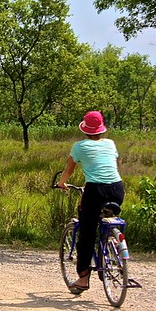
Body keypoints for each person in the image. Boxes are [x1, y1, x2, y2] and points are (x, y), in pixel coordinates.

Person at [57, 110, 124, 294]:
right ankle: (111, 248)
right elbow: (115, 165)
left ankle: (84, 278)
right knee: (104, 219)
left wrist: (61, 183)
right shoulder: (111, 143)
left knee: (86, 233)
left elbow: (69, 170)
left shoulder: (79, 147)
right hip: (117, 189)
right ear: (102, 129)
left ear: (85, 129)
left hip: (95, 190)